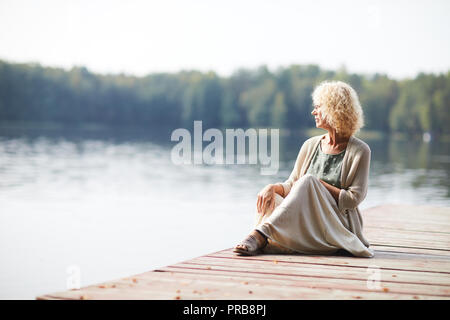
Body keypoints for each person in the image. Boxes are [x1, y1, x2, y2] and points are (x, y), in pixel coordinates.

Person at [234, 80, 374, 258]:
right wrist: (272, 188)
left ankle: (260, 235)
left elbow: (353, 199)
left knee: (308, 180)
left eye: (318, 107)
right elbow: (293, 185)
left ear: (334, 109)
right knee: (272, 198)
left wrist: (316, 185)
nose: (313, 112)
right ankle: (274, 238)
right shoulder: (310, 145)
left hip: (335, 224)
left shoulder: (360, 151)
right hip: (308, 221)